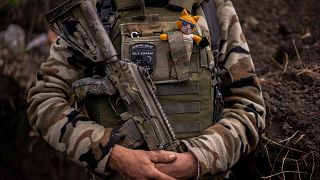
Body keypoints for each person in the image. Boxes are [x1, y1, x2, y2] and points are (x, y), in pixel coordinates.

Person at [27, 0, 266, 179]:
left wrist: (197, 159)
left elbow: (249, 109)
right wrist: (113, 155)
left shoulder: (212, 9)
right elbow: (44, 99)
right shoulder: (95, 11)